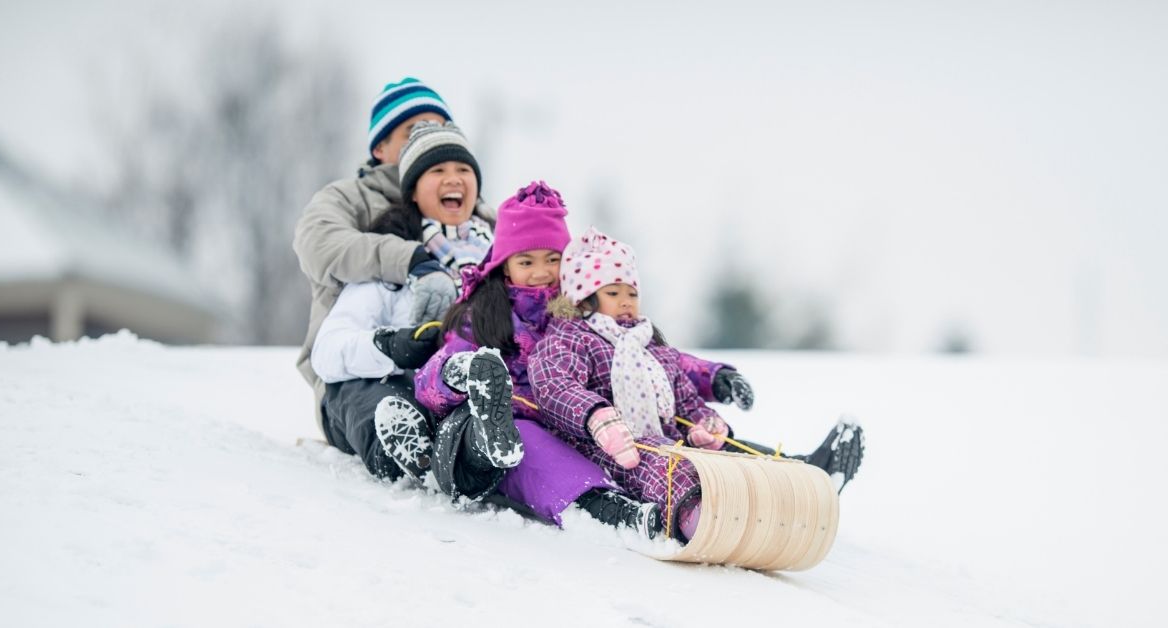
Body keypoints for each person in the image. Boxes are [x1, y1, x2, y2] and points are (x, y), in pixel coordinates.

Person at [530, 228, 865, 542]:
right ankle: (702, 520)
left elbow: (685, 401)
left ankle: (802, 486)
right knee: (670, 468)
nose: (626, 300)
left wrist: (704, 425)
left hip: (669, 441)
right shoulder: (570, 338)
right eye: (613, 292)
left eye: (632, 292)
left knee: (730, 457)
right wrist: (598, 419)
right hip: (607, 452)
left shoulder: (652, 349)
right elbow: (555, 385)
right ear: (584, 299)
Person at [414, 182, 664, 536]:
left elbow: (649, 357)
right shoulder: (485, 314)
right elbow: (427, 382)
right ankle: (603, 509)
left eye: (552, 259)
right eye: (526, 261)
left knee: (605, 442)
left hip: (567, 425)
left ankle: (672, 495)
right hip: (475, 441)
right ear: (505, 266)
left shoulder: (582, 315)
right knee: (524, 438)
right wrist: (461, 373)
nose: (540, 271)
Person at [293, 78, 491, 440]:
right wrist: (410, 257)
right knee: (378, 404)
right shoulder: (350, 197)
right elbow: (318, 243)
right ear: (380, 146)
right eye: (415, 129)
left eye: (442, 128)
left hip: (448, 372)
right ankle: (404, 445)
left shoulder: (475, 222)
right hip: (353, 374)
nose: (430, 135)